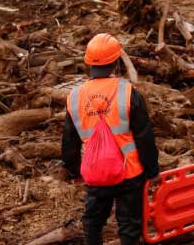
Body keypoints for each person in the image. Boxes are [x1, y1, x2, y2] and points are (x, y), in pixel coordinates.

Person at [62, 34, 159, 245]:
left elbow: (69, 141)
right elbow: (144, 137)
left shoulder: (75, 97)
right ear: (115, 62)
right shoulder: (127, 92)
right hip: (130, 172)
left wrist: (74, 171)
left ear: (88, 62)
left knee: (93, 222)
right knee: (129, 225)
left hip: (96, 172)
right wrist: (152, 170)